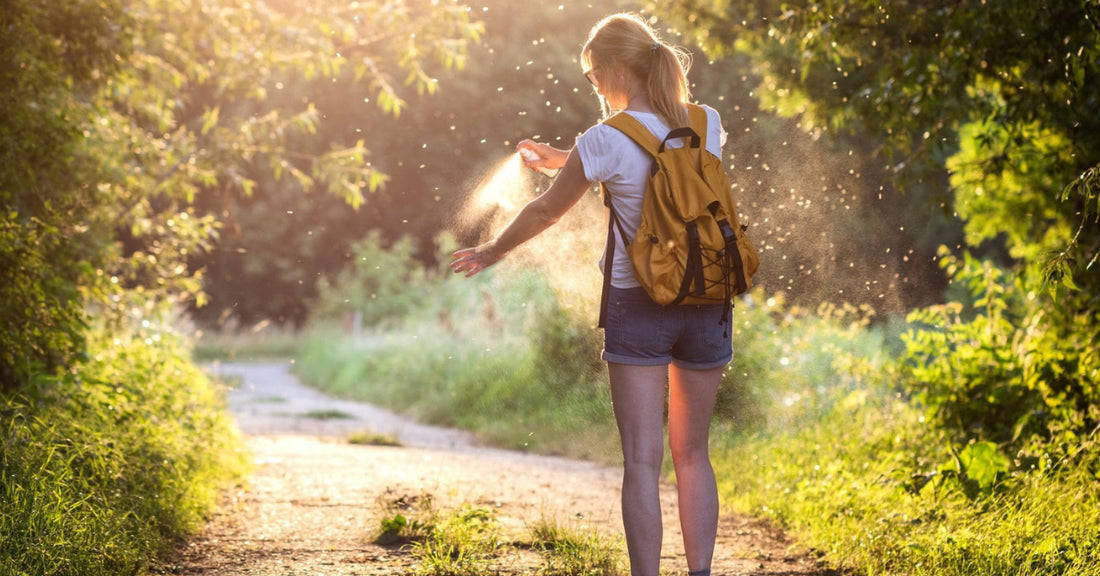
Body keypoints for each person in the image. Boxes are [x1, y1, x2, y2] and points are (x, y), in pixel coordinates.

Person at [450, 13, 730, 576]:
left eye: (594, 74)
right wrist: (565, 158)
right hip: (707, 298)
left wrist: (490, 251)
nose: (594, 86)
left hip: (640, 304)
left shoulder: (603, 140)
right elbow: (661, 168)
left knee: (642, 462)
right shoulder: (707, 121)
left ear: (617, 67)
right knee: (693, 455)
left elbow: (547, 209)